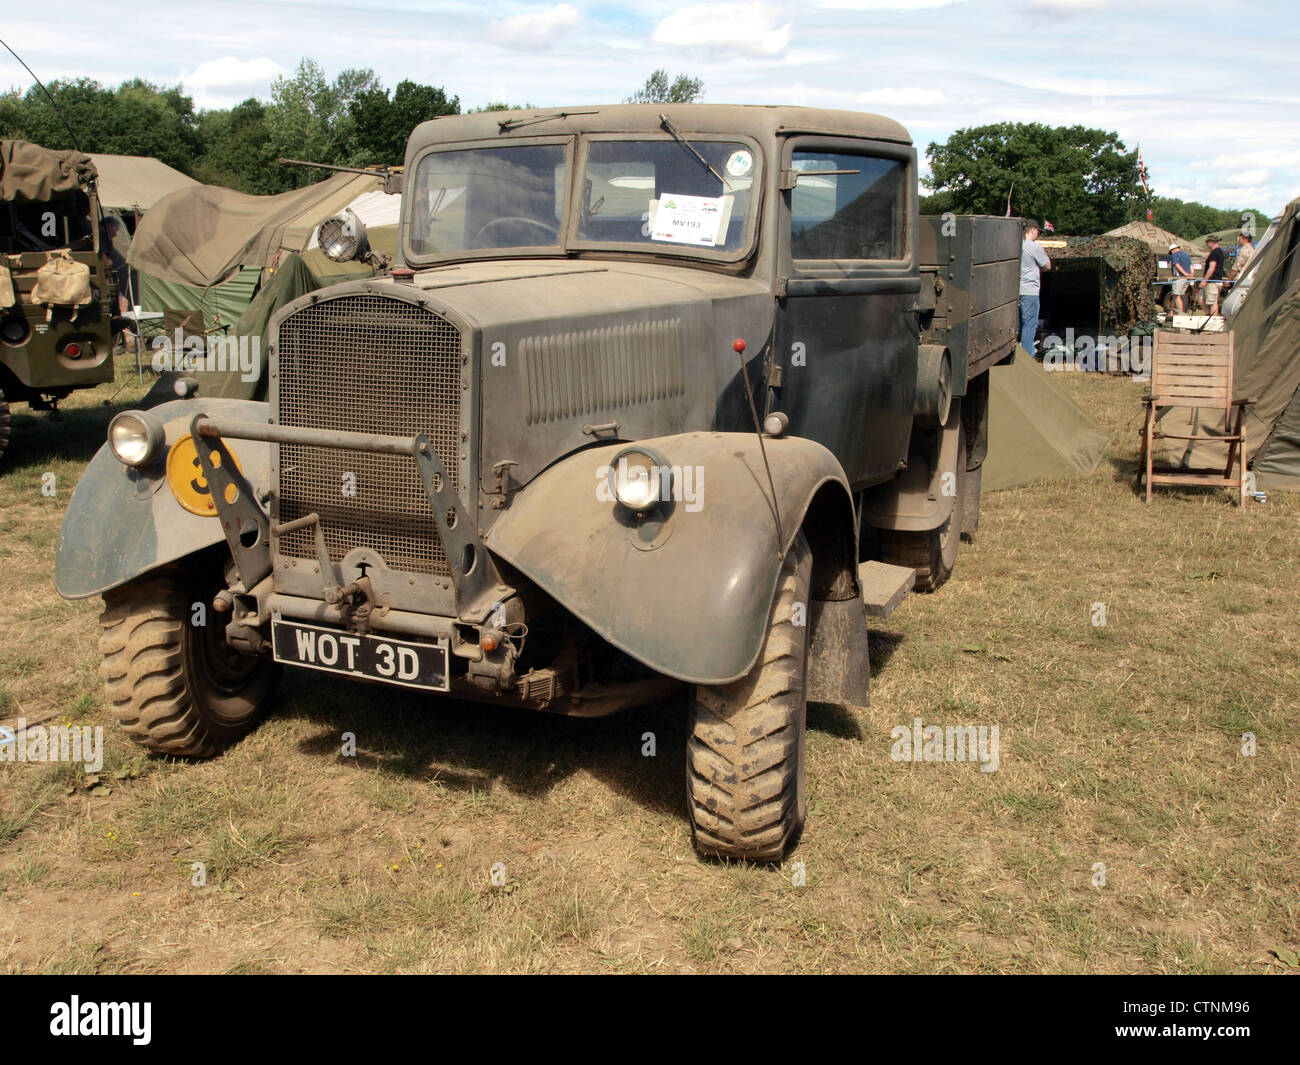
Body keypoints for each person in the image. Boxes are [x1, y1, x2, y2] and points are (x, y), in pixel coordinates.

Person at [1019, 219, 1051, 355]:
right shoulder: (1034, 247)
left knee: (1017, 324)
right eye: (1038, 231)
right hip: (1030, 291)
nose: (1038, 234)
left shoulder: (1014, 245)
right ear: (1032, 230)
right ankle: (1027, 355)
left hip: (1015, 290)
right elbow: (1047, 266)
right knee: (1030, 324)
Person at [1200, 235, 1225, 314]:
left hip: (1212, 280)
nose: (1207, 243)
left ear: (1212, 242)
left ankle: (1213, 320)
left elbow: (1212, 268)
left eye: (1208, 242)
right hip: (1214, 280)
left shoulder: (1214, 253)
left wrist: (1204, 280)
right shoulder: (1219, 252)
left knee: (1212, 302)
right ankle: (1207, 315)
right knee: (1200, 298)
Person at [1168, 241, 1193, 313]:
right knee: (1175, 295)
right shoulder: (1186, 255)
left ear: (1172, 250)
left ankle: (1181, 313)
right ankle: (1171, 312)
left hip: (1179, 278)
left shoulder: (1175, 254)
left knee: (1176, 296)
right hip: (1186, 279)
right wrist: (1190, 274)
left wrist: (1185, 274)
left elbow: (1177, 265)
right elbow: (1191, 266)